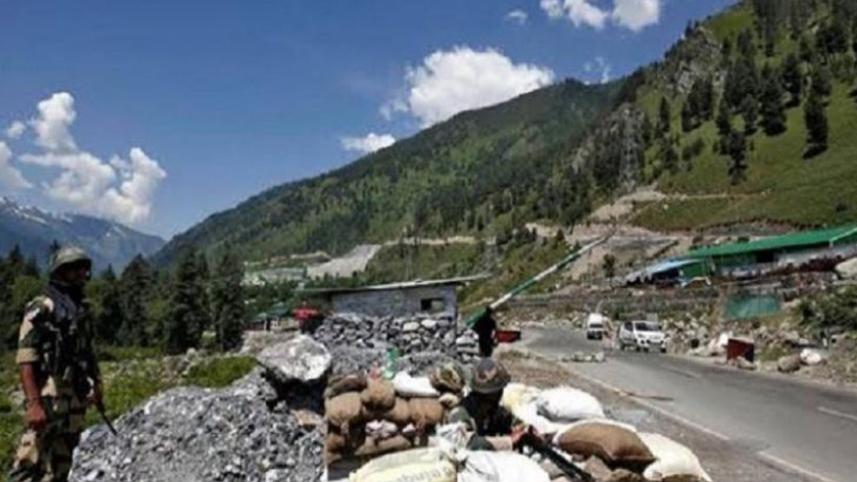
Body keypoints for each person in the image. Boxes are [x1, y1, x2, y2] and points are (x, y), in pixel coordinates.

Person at [9, 246, 103, 482]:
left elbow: (88, 351)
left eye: (83, 268)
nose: (82, 274)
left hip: (75, 395)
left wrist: (98, 384)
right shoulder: (42, 307)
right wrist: (33, 404)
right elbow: (26, 357)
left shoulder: (82, 308)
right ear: (62, 272)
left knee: (62, 465)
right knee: (28, 462)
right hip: (48, 394)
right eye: (75, 269)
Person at [447, 358, 526, 451]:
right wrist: (509, 441)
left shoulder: (492, 409)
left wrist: (524, 429)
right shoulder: (461, 412)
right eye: (498, 391)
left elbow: (512, 421)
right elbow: (467, 443)